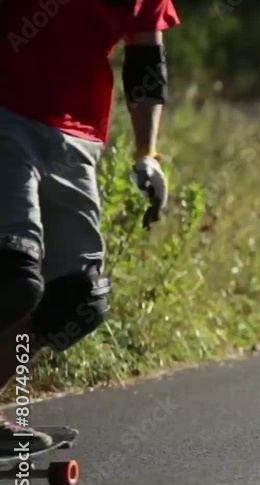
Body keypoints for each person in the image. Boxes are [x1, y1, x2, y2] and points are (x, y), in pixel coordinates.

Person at [0, 0, 179, 454]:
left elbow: (145, 65)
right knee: (13, 274)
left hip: (80, 138)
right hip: (7, 117)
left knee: (77, 298)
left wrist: (148, 154)